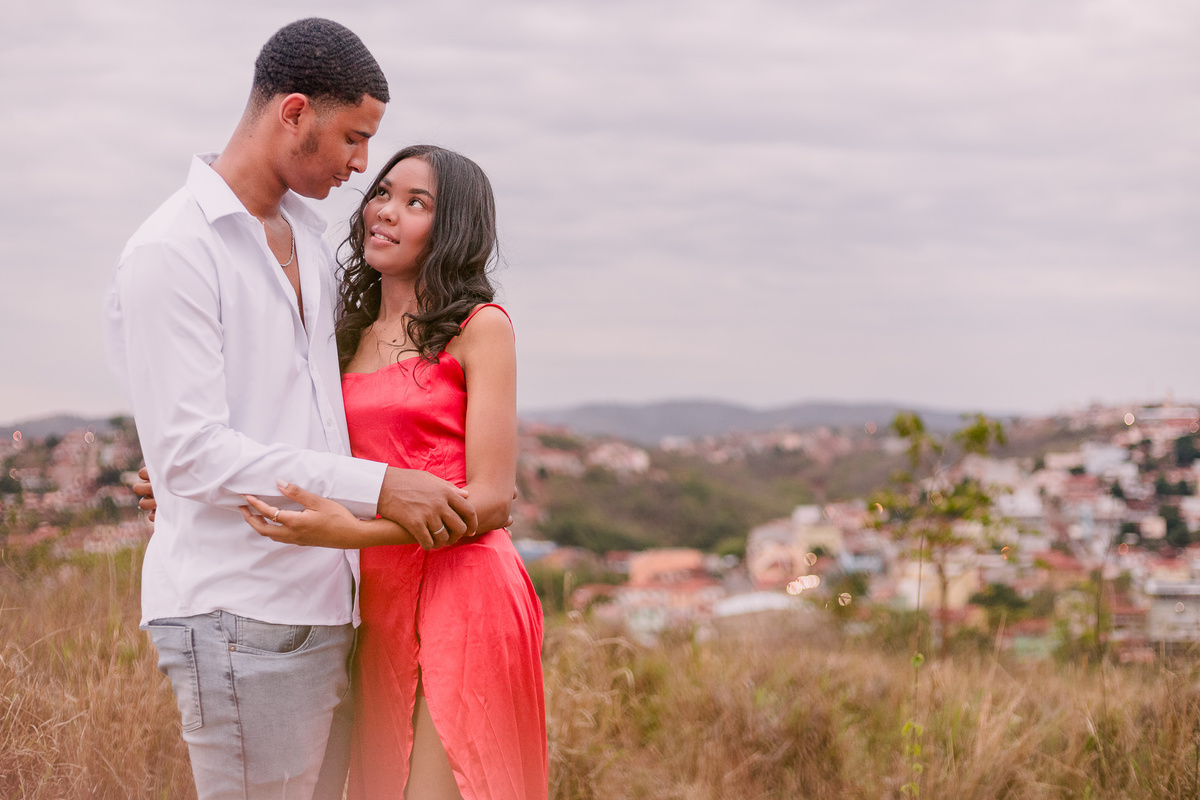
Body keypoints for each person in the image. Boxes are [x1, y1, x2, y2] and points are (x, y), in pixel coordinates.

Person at [103, 20, 477, 800]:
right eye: (354, 137)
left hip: (330, 606)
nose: (361, 165)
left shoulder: (308, 241)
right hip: (242, 614)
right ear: (295, 111)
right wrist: (381, 487)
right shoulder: (173, 251)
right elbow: (192, 452)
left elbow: (292, 414)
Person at [239, 145, 548, 800]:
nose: (385, 211)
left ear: (452, 228)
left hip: (465, 589)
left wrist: (351, 534)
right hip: (374, 603)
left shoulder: (478, 328)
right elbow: (278, 437)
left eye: (417, 203)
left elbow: (493, 501)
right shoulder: (339, 334)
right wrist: (186, 483)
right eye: (383, 193)